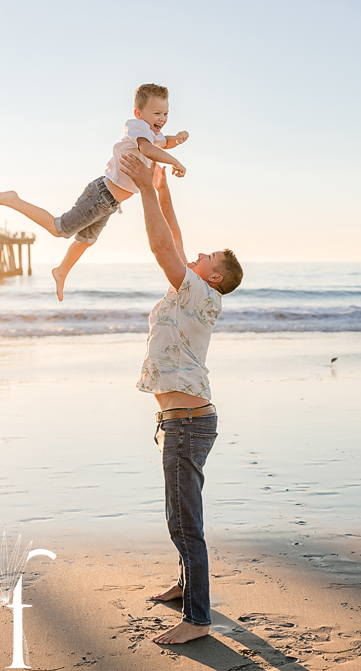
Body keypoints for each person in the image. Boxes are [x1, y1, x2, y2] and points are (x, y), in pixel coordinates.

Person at [118, 151, 243, 645]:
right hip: (182, 421)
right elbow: (173, 237)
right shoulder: (192, 291)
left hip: (187, 423)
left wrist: (146, 190)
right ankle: (186, 586)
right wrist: (163, 190)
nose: (197, 255)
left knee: (185, 519)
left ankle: (197, 619)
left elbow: (159, 244)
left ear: (212, 276)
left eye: (206, 257)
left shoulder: (198, 293)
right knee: (178, 512)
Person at [0, 83, 189, 301]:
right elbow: (149, 150)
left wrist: (179, 138)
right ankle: (12, 200)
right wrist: (176, 162)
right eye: (157, 113)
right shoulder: (137, 128)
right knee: (58, 228)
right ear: (139, 113)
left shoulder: (152, 133)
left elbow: (165, 142)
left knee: (86, 240)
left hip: (109, 204)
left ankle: (61, 271)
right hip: (100, 195)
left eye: (166, 113)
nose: (163, 118)